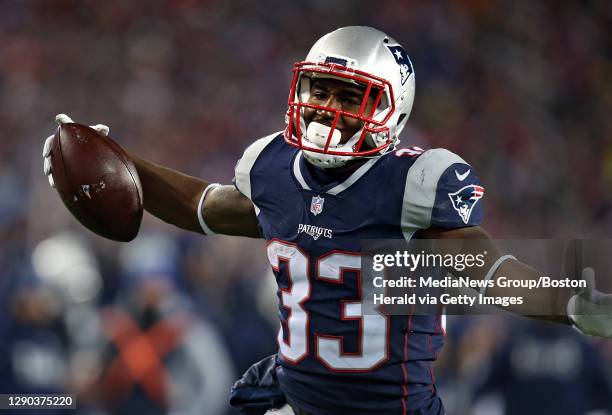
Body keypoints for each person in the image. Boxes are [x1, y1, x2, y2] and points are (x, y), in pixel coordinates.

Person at [42, 26, 612, 415]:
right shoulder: (272, 168)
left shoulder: (414, 184)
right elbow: (203, 207)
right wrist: (119, 159)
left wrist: (571, 300)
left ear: (393, 111)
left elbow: (487, 270)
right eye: (321, 90)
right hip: (298, 400)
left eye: (350, 96)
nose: (327, 111)